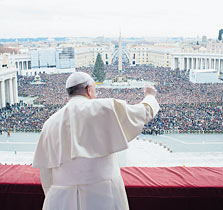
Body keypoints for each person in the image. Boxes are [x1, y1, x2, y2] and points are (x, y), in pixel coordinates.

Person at [33, 72, 160, 210]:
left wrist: (53, 196)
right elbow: (143, 112)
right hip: (104, 195)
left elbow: (45, 171)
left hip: (61, 199)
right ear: (89, 89)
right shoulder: (105, 108)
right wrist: (150, 96)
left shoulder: (49, 124)